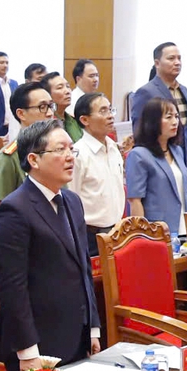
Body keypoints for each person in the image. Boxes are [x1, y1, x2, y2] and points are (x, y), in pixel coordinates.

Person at [0, 120, 103, 371]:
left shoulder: (73, 202)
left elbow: (84, 270)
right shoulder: (15, 209)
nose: (70, 157)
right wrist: (28, 352)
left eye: (71, 150)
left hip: (76, 335)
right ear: (34, 159)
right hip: (38, 343)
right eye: (60, 150)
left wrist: (93, 328)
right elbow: (12, 288)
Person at [130, 41, 187, 181]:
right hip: (158, 161)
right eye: (171, 58)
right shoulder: (146, 92)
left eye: (179, 58)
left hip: (182, 158)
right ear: (157, 63)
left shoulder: (184, 90)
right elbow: (140, 131)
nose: (177, 62)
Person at [70, 92, 126, 257]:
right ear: (85, 120)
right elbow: (71, 199)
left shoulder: (114, 148)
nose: (110, 116)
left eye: (110, 110)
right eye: (103, 111)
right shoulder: (77, 154)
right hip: (90, 235)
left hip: (117, 231)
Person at [125, 96, 187, 239]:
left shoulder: (177, 151)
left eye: (176, 117)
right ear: (152, 122)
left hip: (183, 227)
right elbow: (135, 200)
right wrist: (141, 235)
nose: (175, 122)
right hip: (156, 232)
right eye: (168, 117)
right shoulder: (139, 155)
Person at [0, 83, 56, 200]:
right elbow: (1, 212)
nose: (50, 113)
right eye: (42, 107)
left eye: (51, 106)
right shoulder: (8, 158)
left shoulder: (56, 150)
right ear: (21, 114)